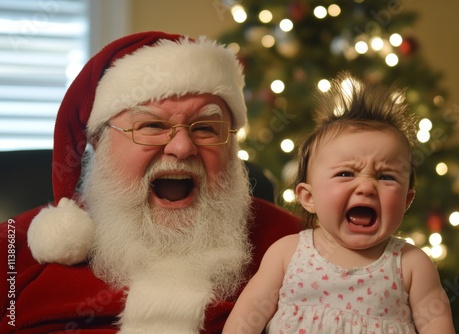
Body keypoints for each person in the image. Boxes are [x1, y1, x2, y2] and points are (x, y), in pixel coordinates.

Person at [0, 31, 300, 333]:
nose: (182, 148)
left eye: (206, 128)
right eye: (153, 125)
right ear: (99, 141)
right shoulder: (13, 252)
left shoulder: (298, 248)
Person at [223, 73, 456, 334]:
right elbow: (247, 317)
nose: (367, 187)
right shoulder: (288, 254)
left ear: (406, 200)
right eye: (346, 173)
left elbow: (437, 324)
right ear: (309, 198)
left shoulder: (411, 264)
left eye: (386, 176)